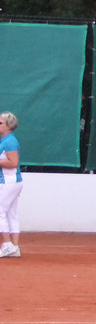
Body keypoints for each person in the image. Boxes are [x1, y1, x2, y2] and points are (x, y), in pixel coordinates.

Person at [0, 111, 23, 259]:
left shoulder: (9, 142)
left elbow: (13, 162)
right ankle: (14, 247)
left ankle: (8, 245)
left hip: (9, 181)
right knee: (10, 214)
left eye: (0, 123)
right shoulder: (6, 140)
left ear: (8, 125)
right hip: (13, 181)